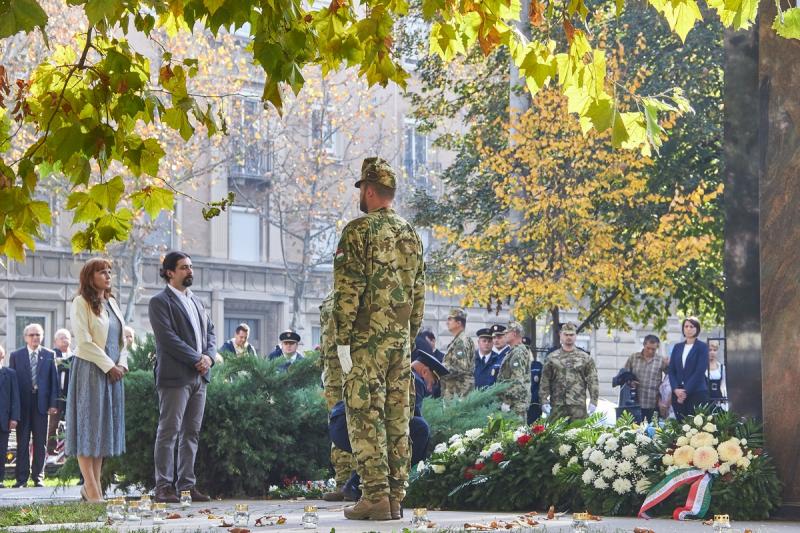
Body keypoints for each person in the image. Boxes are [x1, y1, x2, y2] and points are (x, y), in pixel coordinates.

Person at [333, 157, 425, 520]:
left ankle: (374, 497)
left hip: (366, 343)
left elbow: (347, 293)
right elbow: (418, 295)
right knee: (398, 419)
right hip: (399, 345)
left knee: (364, 416)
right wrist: (407, 337)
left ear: (369, 190)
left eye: (361, 189)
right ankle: (396, 497)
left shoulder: (358, 232)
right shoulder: (412, 235)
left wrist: (341, 343)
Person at [330, 350, 445, 504]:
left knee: (394, 435)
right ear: (424, 371)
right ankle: (402, 484)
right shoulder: (414, 379)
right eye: (433, 382)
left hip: (342, 423)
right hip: (354, 425)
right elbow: (407, 421)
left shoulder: (395, 371)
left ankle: (354, 485)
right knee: (418, 430)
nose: (430, 389)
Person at [148, 251, 215, 503]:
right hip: (175, 378)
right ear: (169, 272)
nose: (190, 271)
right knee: (169, 432)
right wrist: (196, 358)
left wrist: (209, 356)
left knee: (191, 433)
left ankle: (187, 486)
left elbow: (210, 332)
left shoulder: (197, 301)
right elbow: (167, 338)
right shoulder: (159, 302)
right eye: (184, 267)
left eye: (191, 266)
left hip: (200, 378)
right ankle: (163, 487)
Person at [67, 258, 128, 502]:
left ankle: (93, 487)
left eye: (109, 271)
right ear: (90, 277)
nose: (108, 275)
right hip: (91, 371)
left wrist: (122, 363)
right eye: (102, 272)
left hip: (113, 374)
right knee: (87, 428)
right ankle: (92, 490)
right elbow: (83, 342)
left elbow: (123, 339)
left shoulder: (112, 302)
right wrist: (108, 365)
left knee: (102, 430)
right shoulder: (80, 303)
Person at [9, 323, 58, 487]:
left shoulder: (49, 355)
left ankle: (38, 477)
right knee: (22, 442)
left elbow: (54, 382)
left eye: (38, 335)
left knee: (40, 442)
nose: (35, 337)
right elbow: (12, 384)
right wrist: (13, 408)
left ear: (42, 337)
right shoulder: (16, 355)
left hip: (41, 405)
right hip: (23, 405)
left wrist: (53, 404)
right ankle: (21, 478)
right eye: (32, 335)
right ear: (25, 338)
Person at [319, 292, 356, 503]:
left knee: (356, 424)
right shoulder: (329, 297)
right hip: (332, 372)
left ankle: (356, 482)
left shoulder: (356, 287)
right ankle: (342, 480)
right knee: (336, 423)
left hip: (352, 367)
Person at [539, 322, 599, 422]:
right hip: (557, 405)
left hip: (578, 405)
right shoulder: (552, 358)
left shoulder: (585, 358)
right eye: (566, 334)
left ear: (576, 336)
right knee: (556, 436)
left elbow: (593, 380)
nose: (569, 337)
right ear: (560, 335)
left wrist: (594, 401)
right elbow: (545, 381)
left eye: (571, 335)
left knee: (578, 435)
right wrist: (544, 400)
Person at [668, 317, 709, 421]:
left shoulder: (702, 347)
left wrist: (685, 391)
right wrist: (676, 389)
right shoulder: (677, 347)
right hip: (677, 394)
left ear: (697, 329)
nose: (688, 329)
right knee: (681, 427)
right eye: (686, 326)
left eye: (692, 326)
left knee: (696, 428)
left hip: (696, 392)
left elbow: (699, 371)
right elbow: (671, 370)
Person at [623, 335, 666, 422]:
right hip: (635, 403)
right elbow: (625, 374)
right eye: (648, 348)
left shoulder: (661, 360)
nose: (650, 351)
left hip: (653, 404)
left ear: (657, 348)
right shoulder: (633, 357)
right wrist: (630, 382)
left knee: (651, 432)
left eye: (653, 349)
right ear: (644, 345)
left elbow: (669, 378)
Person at [496, 322, 532, 419]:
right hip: (514, 404)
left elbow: (517, 381)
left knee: (516, 433)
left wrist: (507, 402)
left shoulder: (518, 352)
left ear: (514, 334)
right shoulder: (514, 351)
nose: (505, 335)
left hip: (515, 406)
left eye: (507, 333)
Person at [48, 329, 74, 457]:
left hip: (70, 395)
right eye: (62, 337)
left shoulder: (75, 356)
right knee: (53, 425)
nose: (65, 339)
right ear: (55, 341)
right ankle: (51, 451)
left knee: (71, 424)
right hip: (55, 396)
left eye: (67, 337)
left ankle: (69, 451)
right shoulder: (50, 355)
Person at [438, 308, 475, 399]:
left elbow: (460, 367)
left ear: (458, 323)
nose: (447, 322)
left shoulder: (461, 341)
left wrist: (438, 370)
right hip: (455, 391)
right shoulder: (458, 340)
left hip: (459, 394)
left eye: (450, 319)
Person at [0, 346, 20, 482]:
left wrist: (14, 417)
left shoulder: (10, 374)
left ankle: (0, 479)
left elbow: (15, 397)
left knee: (1, 451)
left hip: (4, 419)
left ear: (2, 356)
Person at [707, 340, 727, 410]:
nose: (712, 352)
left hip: (718, 400)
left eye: (714, 350)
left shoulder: (722, 367)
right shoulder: (702, 367)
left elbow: (724, 385)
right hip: (705, 399)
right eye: (709, 350)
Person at [527, 352, 544, 424]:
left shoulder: (538, 365)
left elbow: (544, 383)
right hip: (518, 403)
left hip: (534, 403)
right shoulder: (515, 365)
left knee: (534, 429)